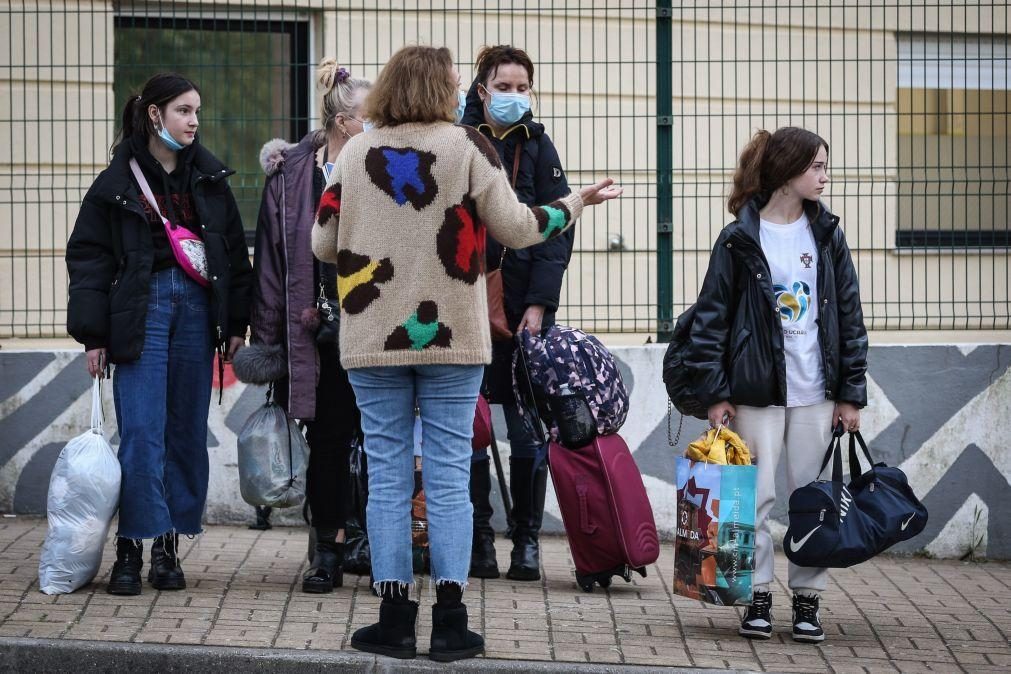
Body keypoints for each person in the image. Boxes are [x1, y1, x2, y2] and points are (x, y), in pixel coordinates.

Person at [311, 45, 621, 662]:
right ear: (440, 91)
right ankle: (451, 621)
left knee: (389, 476)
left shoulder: (354, 154)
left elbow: (323, 243)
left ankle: (395, 617)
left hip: (372, 341)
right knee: (451, 474)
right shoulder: (468, 150)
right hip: (454, 336)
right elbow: (518, 228)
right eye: (456, 84)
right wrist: (575, 203)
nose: (463, 93)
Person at [66, 73, 252, 595]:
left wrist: (235, 324)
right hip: (139, 313)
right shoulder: (115, 182)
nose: (194, 121)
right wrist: (93, 335)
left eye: (197, 111)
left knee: (184, 431)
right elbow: (89, 261)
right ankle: (131, 546)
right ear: (155, 115)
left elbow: (235, 257)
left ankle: (166, 546)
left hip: (196, 312)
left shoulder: (210, 178)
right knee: (142, 433)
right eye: (183, 111)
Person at [684, 127, 868, 643]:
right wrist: (717, 394)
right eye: (816, 167)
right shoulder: (739, 238)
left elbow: (850, 317)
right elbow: (711, 322)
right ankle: (757, 597)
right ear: (788, 171)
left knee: (813, 503)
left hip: (817, 392)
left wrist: (851, 393)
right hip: (755, 391)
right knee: (755, 499)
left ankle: (808, 603)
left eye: (825, 166)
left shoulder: (828, 235)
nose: (825, 177)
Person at [233, 60, 370, 594]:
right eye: (368, 116)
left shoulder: (381, 165)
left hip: (370, 324)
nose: (376, 125)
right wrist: (266, 339)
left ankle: (375, 544)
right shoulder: (290, 175)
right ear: (342, 122)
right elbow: (269, 262)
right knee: (329, 441)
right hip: (311, 334)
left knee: (378, 441)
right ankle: (329, 549)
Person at [459, 45, 574, 582]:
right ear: (482, 90)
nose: (514, 97)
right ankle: (479, 540)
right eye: (504, 87)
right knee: (470, 427)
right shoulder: (458, 140)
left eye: (522, 87)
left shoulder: (538, 145)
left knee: (527, 429)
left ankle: (525, 543)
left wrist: (538, 304)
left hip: (524, 310)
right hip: (464, 308)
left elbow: (556, 225)